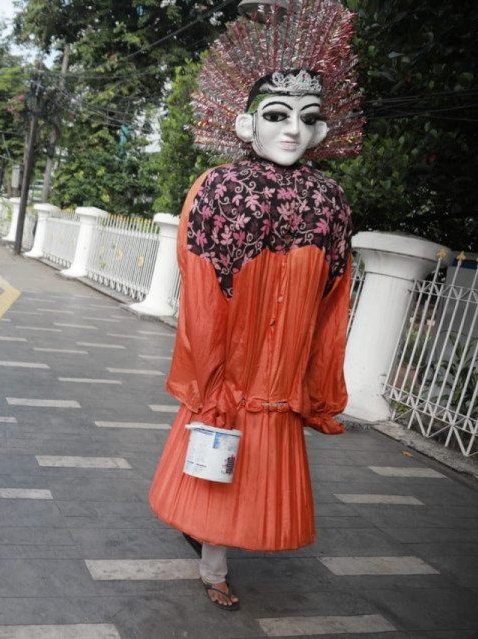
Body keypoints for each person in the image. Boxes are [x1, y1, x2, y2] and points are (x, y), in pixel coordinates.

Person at [147, 0, 363, 612]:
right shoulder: (219, 188)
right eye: (276, 116)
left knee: (242, 474)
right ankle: (213, 567)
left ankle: (211, 551)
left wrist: (315, 382)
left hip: (280, 376)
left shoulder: (331, 200)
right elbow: (201, 294)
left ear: (322, 131)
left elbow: (331, 301)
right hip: (230, 372)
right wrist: (208, 375)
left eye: (307, 119)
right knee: (218, 472)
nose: (292, 130)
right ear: (247, 125)